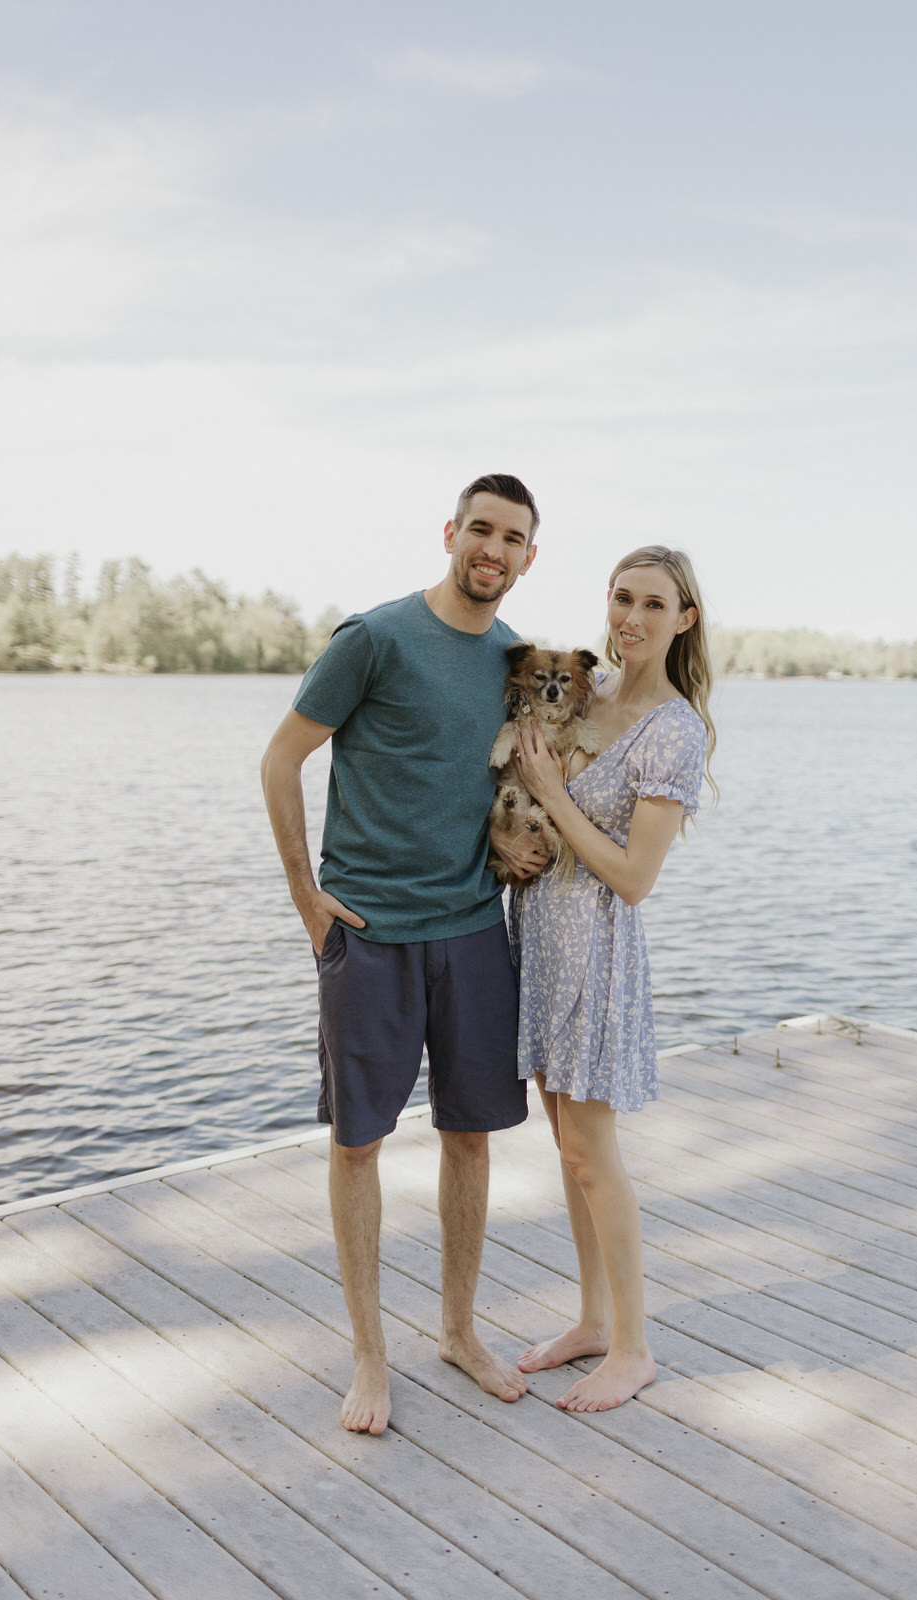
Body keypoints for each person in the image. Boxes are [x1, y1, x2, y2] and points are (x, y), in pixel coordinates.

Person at [260, 473, 548, 1436]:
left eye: (512, 538)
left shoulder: (516, 660)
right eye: (479, 529)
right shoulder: (373, 639)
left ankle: (459, 1331)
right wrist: (308, 900)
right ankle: (369, 1356)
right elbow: (280, 759)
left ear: (528, 556)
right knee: (358, 1143)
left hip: (474, 936)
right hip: (370, 938)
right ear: (450, 533)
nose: (492, 550)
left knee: (469, 1137)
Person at [509, 544, 717, 1413]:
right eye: (620, 598)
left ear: (684, 619)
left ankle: (633, 1347)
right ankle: (592, 1320)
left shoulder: (672, 727)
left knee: (594, 1156)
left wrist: (553, 799)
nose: (630, 618)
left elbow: (633, 879)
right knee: (566, 1149)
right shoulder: (586, 693)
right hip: (540, 940)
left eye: (652, 604)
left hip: (594, 947)